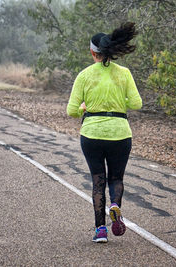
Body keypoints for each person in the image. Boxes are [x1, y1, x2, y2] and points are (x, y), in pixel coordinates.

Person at [66, 22, 142, 243]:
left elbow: (71, 111)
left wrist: (84, 107)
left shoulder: (84, 75)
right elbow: (136, 104)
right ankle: (115, 205)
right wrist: (119, 102)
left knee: (98, 180)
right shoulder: (124, 74)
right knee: (116, 178)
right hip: (120, 133)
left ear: (92, 52)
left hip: (92, 134)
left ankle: (100, 230)